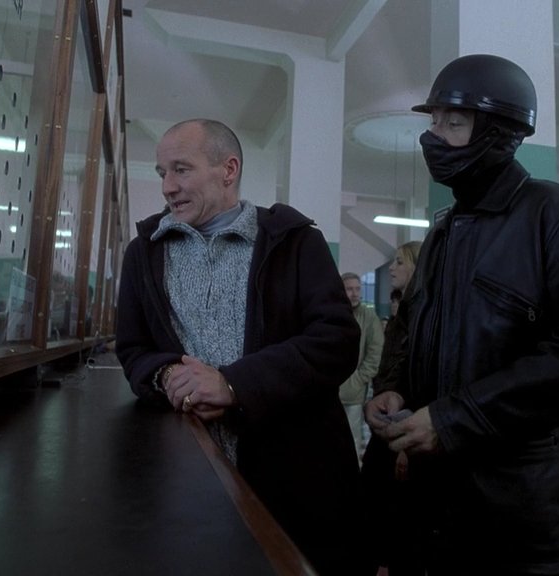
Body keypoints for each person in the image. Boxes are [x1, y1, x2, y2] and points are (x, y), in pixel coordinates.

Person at [363, 54, 559, 575]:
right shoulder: (443, 232)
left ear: (499, 134)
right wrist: (395, 389)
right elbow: (416, 333)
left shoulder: (557, 214)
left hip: (523, 513)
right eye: (434, 122)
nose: (433, 137)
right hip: (441, 509)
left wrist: (453, 419)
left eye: (453, 123)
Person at [115, 119, 368, 576]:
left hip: (295, 480)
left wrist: (234, 384)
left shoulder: (295, 242)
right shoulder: (143, 253)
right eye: (162, 173)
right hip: (187, 478)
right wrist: (167, 375)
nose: (168, 187)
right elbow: (133, 348)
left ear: (228, 170)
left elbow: (337, 340)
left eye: (181, 169)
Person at [360, 240, 421, 575]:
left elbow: (417, 383)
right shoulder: (401, 317)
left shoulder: (423, 319)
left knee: (399, 526)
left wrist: (407, 448)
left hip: (406, 435)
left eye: (399, 262)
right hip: (385, 429)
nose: (392, 268)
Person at [339, 272, 384, 456]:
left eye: (357, 289)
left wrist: (358, 379)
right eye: (349, 289)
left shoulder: (369, 316)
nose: (355, 293)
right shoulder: (333, 313)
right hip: (328, 392)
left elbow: (375, 354)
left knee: (352, 444)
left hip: (353, 394)